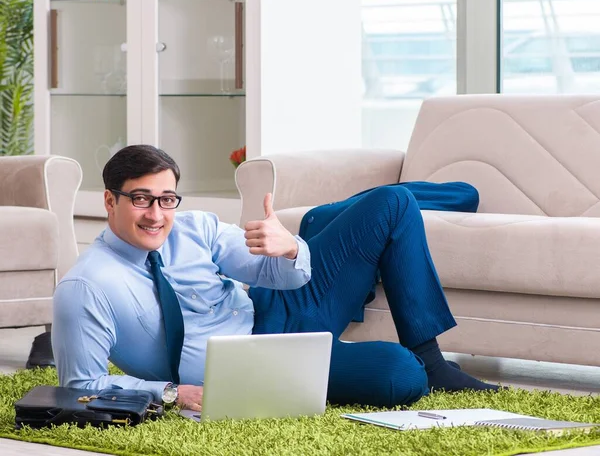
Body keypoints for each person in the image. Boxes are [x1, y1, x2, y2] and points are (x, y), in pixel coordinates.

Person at [52, 145, 500, 412]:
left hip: (278, 305)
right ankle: (327, 219)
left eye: (166, 199)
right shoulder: (87, 288)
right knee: (400, 376)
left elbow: (281, 276)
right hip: (256, 362)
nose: (156, 215)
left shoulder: (195, 227)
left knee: (393, 202)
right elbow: (80, 388)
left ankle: (435, 361)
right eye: (141, 200)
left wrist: (289, 248)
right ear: (109, 201)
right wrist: (174, 393)